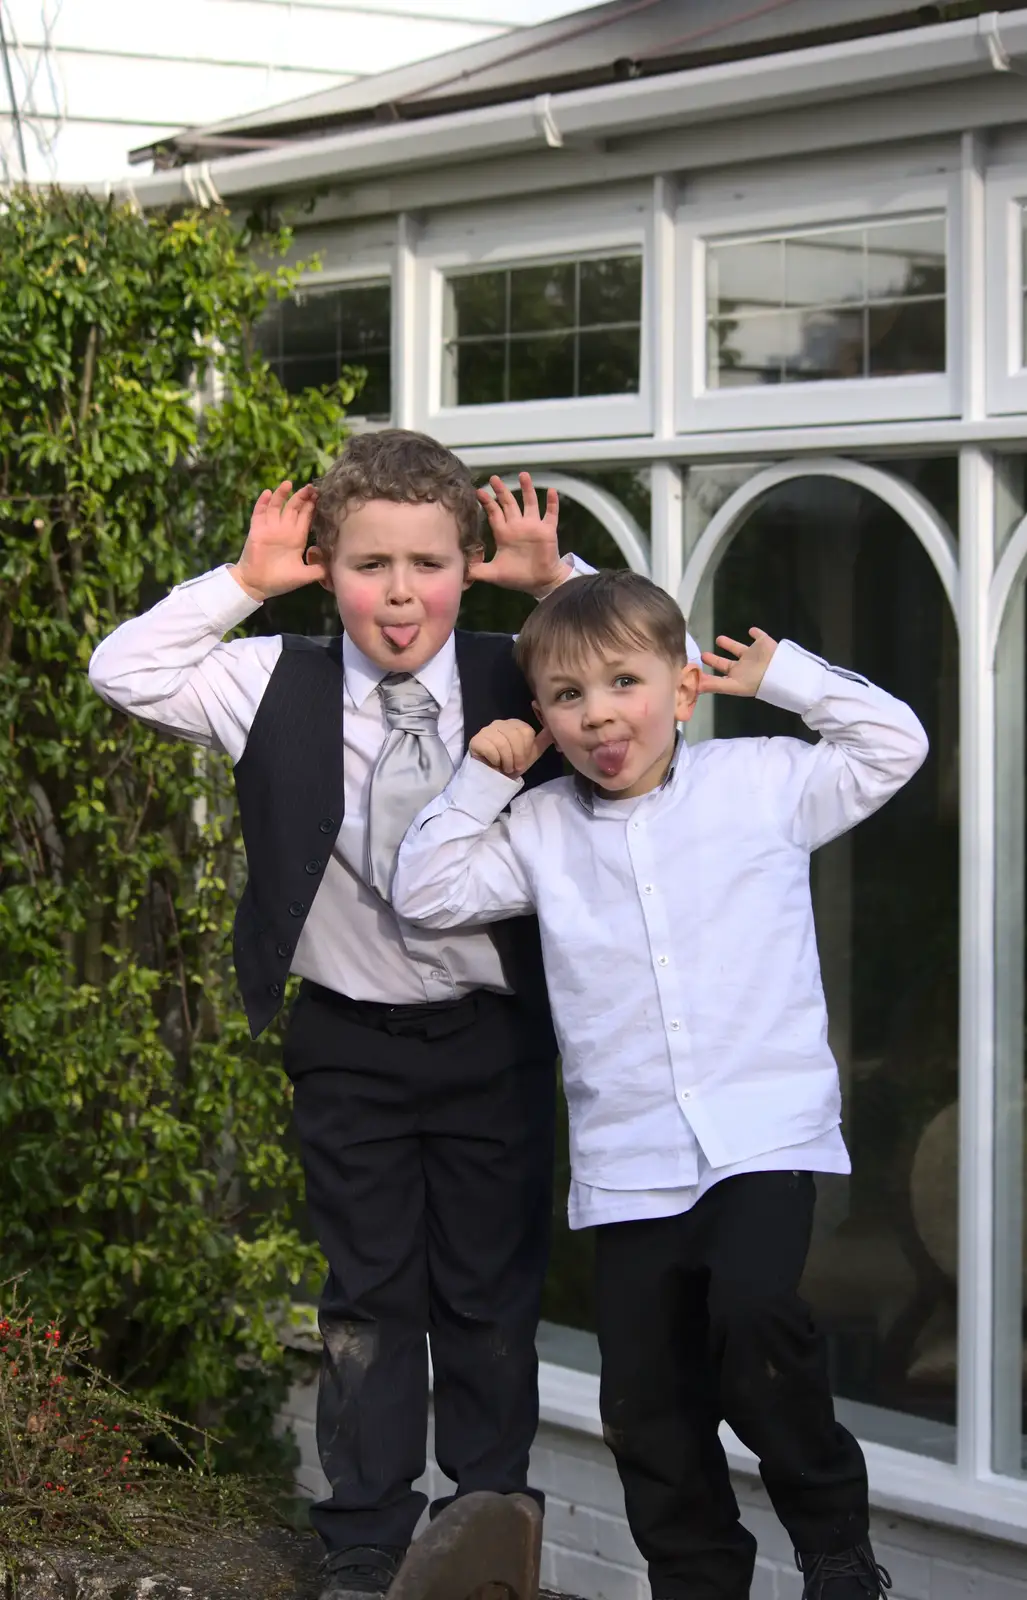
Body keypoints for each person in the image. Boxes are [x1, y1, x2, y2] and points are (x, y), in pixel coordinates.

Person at [87, 430, 589, 1600]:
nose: (400, 592)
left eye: (427, 561)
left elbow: (646, 680)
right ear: (327, 565)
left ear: (470, 562)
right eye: (369, 564)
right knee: (367, 1298)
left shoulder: (523, 666)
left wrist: (555, 585)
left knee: (488, 1294)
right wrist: (247, 584)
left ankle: (484, 1526)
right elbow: (123, 666)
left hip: (493, 1034)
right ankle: (364, 1535)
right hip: (348, 1038)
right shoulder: (273, 680)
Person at [392, 569, 929, 1600]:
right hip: (631, 1163)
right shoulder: (540, 829)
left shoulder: (763, 783)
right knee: (647, 1405)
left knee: (754, 1314)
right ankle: (696, 1582)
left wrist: (792, 679)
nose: (599, 715)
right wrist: (481, 782)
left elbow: (893, 743)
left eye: (624, 684)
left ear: (683, 690)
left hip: (761, 1136)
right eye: (566, 697)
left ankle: (835, 1547)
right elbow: (426, 892)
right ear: (539, 716)